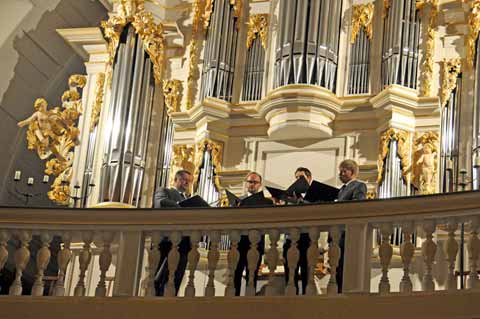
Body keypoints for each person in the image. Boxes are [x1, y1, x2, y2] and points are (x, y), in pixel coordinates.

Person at [153, 170, 194, 296]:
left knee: (177, 277)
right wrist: (183, 207)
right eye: (183, 179)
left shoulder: (188, 198)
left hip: (184, 244)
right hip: (167, 240)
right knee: (160, 277)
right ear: (176, 180)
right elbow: (160, 203)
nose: (186, 182)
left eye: (189, 180)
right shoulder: (164, 191)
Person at [235, 172, 273, 295]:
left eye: (255, 182)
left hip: (256, 243)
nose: (252, 184)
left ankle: (250, 299)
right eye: (250, 182)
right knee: (237, 273)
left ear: (260, 185)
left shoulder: (266, 202)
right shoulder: (238, 201)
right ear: (246, 184)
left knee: (252, 275)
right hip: (240, 243)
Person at [334, 159, 367, 293]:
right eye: (340, 171)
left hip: (349, 232)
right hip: (339, 231)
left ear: (352, 172)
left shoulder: (359, 186)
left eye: (344, 171)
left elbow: (358, 206)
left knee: (346, 266)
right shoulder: (341, 189)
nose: (340, 174)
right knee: (338, 267)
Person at [282, 167, 315, 295]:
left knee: (307, 274)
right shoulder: (288, 197)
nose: (297, 180)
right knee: (290, 275)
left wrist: (302, 202)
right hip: (290, 240)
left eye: (300, 178)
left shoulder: (314, 195)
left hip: (307, 241)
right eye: (296, 178)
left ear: (309, 178)